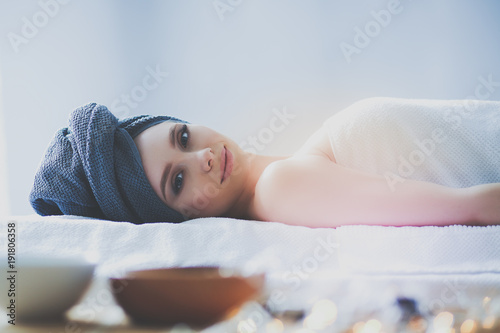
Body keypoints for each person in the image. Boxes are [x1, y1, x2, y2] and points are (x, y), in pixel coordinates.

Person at [30, 98, 500, 227]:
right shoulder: (279, 187)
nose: (205, 158)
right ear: (171, 217)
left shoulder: (290, 166)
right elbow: (472, 207)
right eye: (178, 180)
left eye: (184, 136)